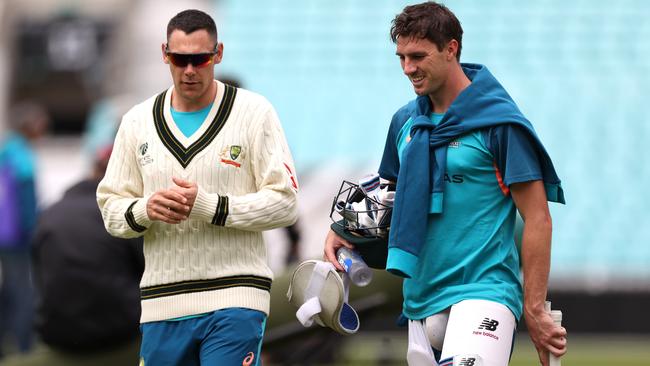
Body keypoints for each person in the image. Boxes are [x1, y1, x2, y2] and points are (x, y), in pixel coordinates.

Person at [324, 2, 567, 365]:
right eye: (402, 57)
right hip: (421, 299)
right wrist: (342, 231)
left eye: (418, 56)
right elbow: (387, 198)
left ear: (451, 48)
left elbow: (537, 218)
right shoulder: (404, 122)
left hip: (486, 291)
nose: (408, 68)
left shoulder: (499, 124)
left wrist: (534, 308)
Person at [96, 9, 298, 366]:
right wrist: (145, 209)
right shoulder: (136, 122)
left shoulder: (255, 112)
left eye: (201, 59)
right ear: (165, 54)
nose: (190, 70)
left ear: (218, 54)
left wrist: (211, 206)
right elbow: (111, 210)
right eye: (180, 59)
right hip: (162, 304)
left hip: (236, 297)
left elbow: (285, 203)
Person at [26, 145, 144, 364]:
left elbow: (38, 277)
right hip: (118, 332)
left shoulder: (51, 212)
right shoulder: (125, 215)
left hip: (56, 332)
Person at [0, 101, 49, 359]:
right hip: (18, 236)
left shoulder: (6, 150)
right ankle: (23, 346)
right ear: (29, 127)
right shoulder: (23, 158)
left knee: (8, 288)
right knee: (24, 291)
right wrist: (36, 232)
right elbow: (28, 206)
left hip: (3, 235)